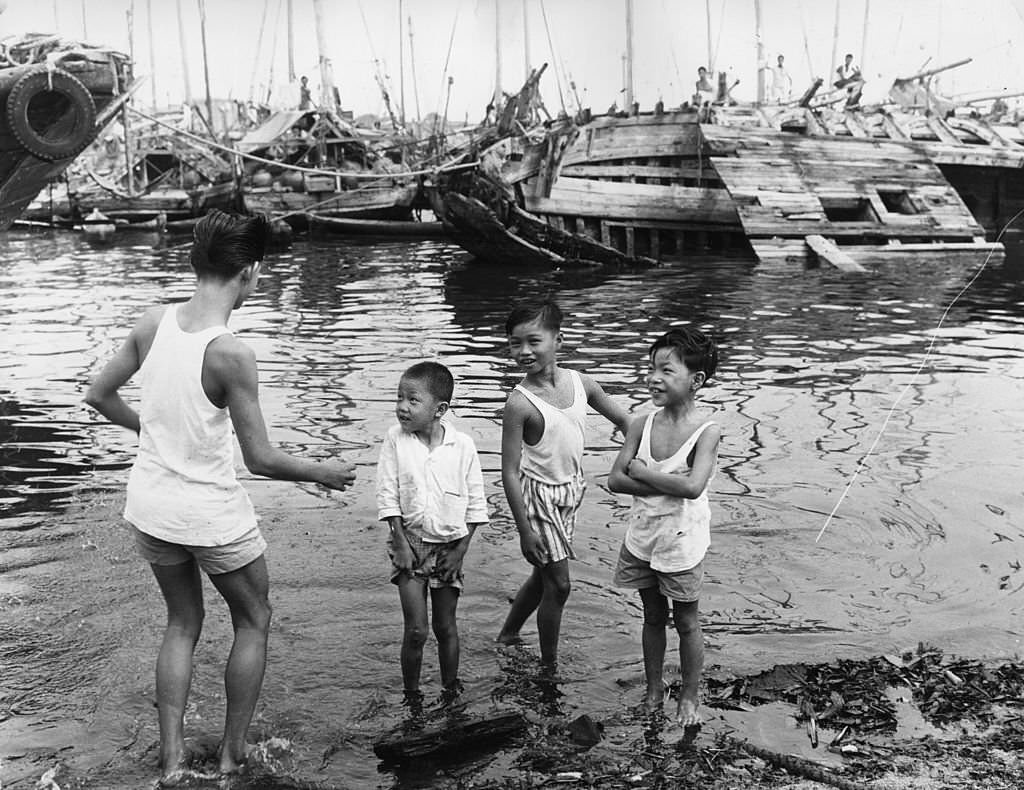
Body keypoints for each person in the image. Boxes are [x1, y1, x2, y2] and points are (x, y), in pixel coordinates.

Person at [84, 210, 356, 781]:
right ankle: (232, 758)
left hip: (151, 508)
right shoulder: (231, 352)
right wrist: (322, 471)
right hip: (209, 514)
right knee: (254, 618)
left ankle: (172, 759)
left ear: (194, 261)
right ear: (251, 272)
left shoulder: (151, 323)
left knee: (181, 623)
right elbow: (260, 458)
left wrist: (152, 431)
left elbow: (98, 394)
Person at [495, 301, 630, 668]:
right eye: (514, 344)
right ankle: (549, 667)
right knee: (560, 585)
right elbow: (509, 471)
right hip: (537, 496)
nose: (523, 352)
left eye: (533, 341)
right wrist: (525, 530)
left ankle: (508, 634)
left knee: (544, 577)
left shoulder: (581, 383)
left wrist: (653, 454)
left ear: (559, 340)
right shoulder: (519, 404)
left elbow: (627, 422)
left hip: (571, 492)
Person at [608, 328, 720, 727]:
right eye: (651, 368)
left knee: (687, 621)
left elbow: (692, 487)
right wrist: (648, 477)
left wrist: (642, 473)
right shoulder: (642, 423)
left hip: (682, 541)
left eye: (666, 370)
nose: (654, 377)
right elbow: (615, 480)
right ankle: (655, 689)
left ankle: (689, 696)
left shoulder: (706, 432)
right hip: (643, 537)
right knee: (652, 616)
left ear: (696, 381)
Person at [376, 361, 488, 713]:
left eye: (412, 400)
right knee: (416, 631)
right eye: (399, 397)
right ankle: (411, 698)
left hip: (450, 548)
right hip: (409, 543)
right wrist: (398, 540)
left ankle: (450, 693)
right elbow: (387, 492)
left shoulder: (463, 446)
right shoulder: (396, 439)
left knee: (445, 626)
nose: (401, 407)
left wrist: (461, 551)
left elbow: (476, 505)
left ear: (439, 409)